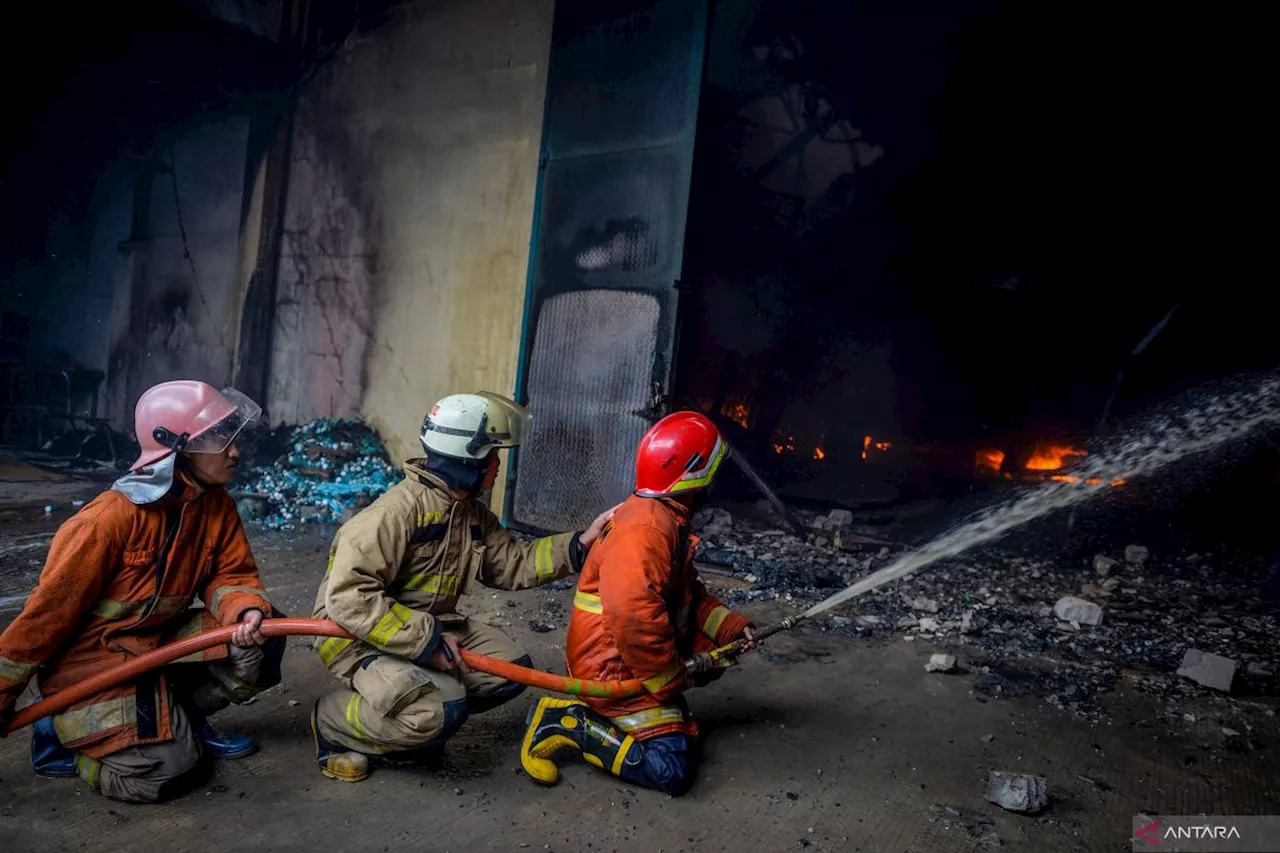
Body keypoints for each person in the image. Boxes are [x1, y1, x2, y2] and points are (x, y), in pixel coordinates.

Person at [310, 391, 617, 783]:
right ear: (467, 460)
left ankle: (414, 720)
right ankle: (334, 723)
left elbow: (513, 563)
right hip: (358, 635)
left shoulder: (468, 514)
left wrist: (580, 544)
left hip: (422, 627)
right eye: (492, 456)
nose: (497, 466)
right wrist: (428, 641)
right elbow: (348, 598)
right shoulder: (395, 514)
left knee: (509, 672)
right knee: (440, 711)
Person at [0, 380, 284, 804]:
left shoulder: (214, 505)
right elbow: (42, 621)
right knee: (169, 774)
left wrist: (244, 612)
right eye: (219, 440)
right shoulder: (106, 522)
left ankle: (178, 718)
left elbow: (231, 575)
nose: (234, 452)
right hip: (94, 667)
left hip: (156, 645)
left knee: (268, 632)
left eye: (232, 439)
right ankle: (67, 743)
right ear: (176, 447)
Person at [520, 410, 756, 796]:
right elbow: (634, 620)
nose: (716, 479)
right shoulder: (646, 531)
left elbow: (688, 596)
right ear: (695, 475)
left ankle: (656, 714)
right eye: (713, 469)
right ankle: (566, 721)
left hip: (628, 658)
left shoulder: (664, 519)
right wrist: (668, 680)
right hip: (610, 670)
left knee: (718, 652)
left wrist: (731, 628)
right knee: (671, 770)